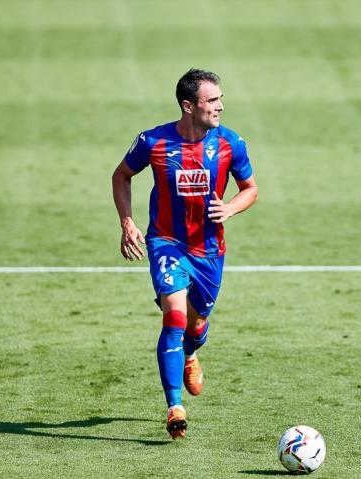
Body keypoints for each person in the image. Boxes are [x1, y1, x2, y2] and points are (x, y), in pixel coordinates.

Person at [112, 68, 258, 440]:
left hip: (209, 249)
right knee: (174, 319)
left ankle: (190, 354)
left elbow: (250, 189)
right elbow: (121, 175)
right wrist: (127, 222)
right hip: (166, 242)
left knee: (195, 326)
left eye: (221, 98)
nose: (221, 106)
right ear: (188, 105)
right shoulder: (154, 141)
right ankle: (174, 406)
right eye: (212, 100)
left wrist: (230, 208)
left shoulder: (230, 144)